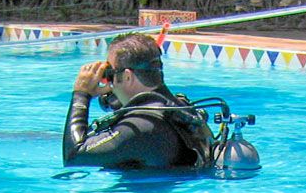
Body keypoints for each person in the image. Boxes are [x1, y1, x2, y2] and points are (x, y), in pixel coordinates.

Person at [63, 32, 218, 171]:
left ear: (128, 76)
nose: (109, 81)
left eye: (110, 73)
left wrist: (81, 95)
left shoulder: (139, 127)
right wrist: (115, 91)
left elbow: (73, 155)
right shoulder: (179, 106)